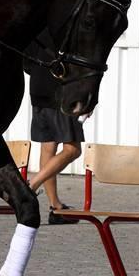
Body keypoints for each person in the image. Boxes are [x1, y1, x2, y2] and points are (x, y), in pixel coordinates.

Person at [24, 30, 88, 225]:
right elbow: (78, 64)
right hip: (59, 92)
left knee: (48, 147)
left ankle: (56, 207)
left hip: (37, 90)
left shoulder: (36, 28)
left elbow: (26, 63)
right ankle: (31, 185)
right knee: (72, 149)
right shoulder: (65, 29)